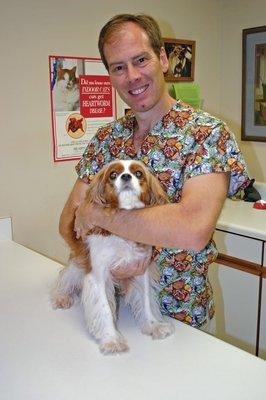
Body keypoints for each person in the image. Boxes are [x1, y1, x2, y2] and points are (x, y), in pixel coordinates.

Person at [59, 14, 250, 332]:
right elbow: (68, 224)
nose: (132, 76)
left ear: (162, 58)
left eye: (140, 60)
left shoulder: (205, 134)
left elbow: (192, 230)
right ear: (111, 76)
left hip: (181, 320)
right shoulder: (106, 139)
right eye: (119, 67)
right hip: (110, 314)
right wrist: (108, 268)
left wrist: (96, 213)